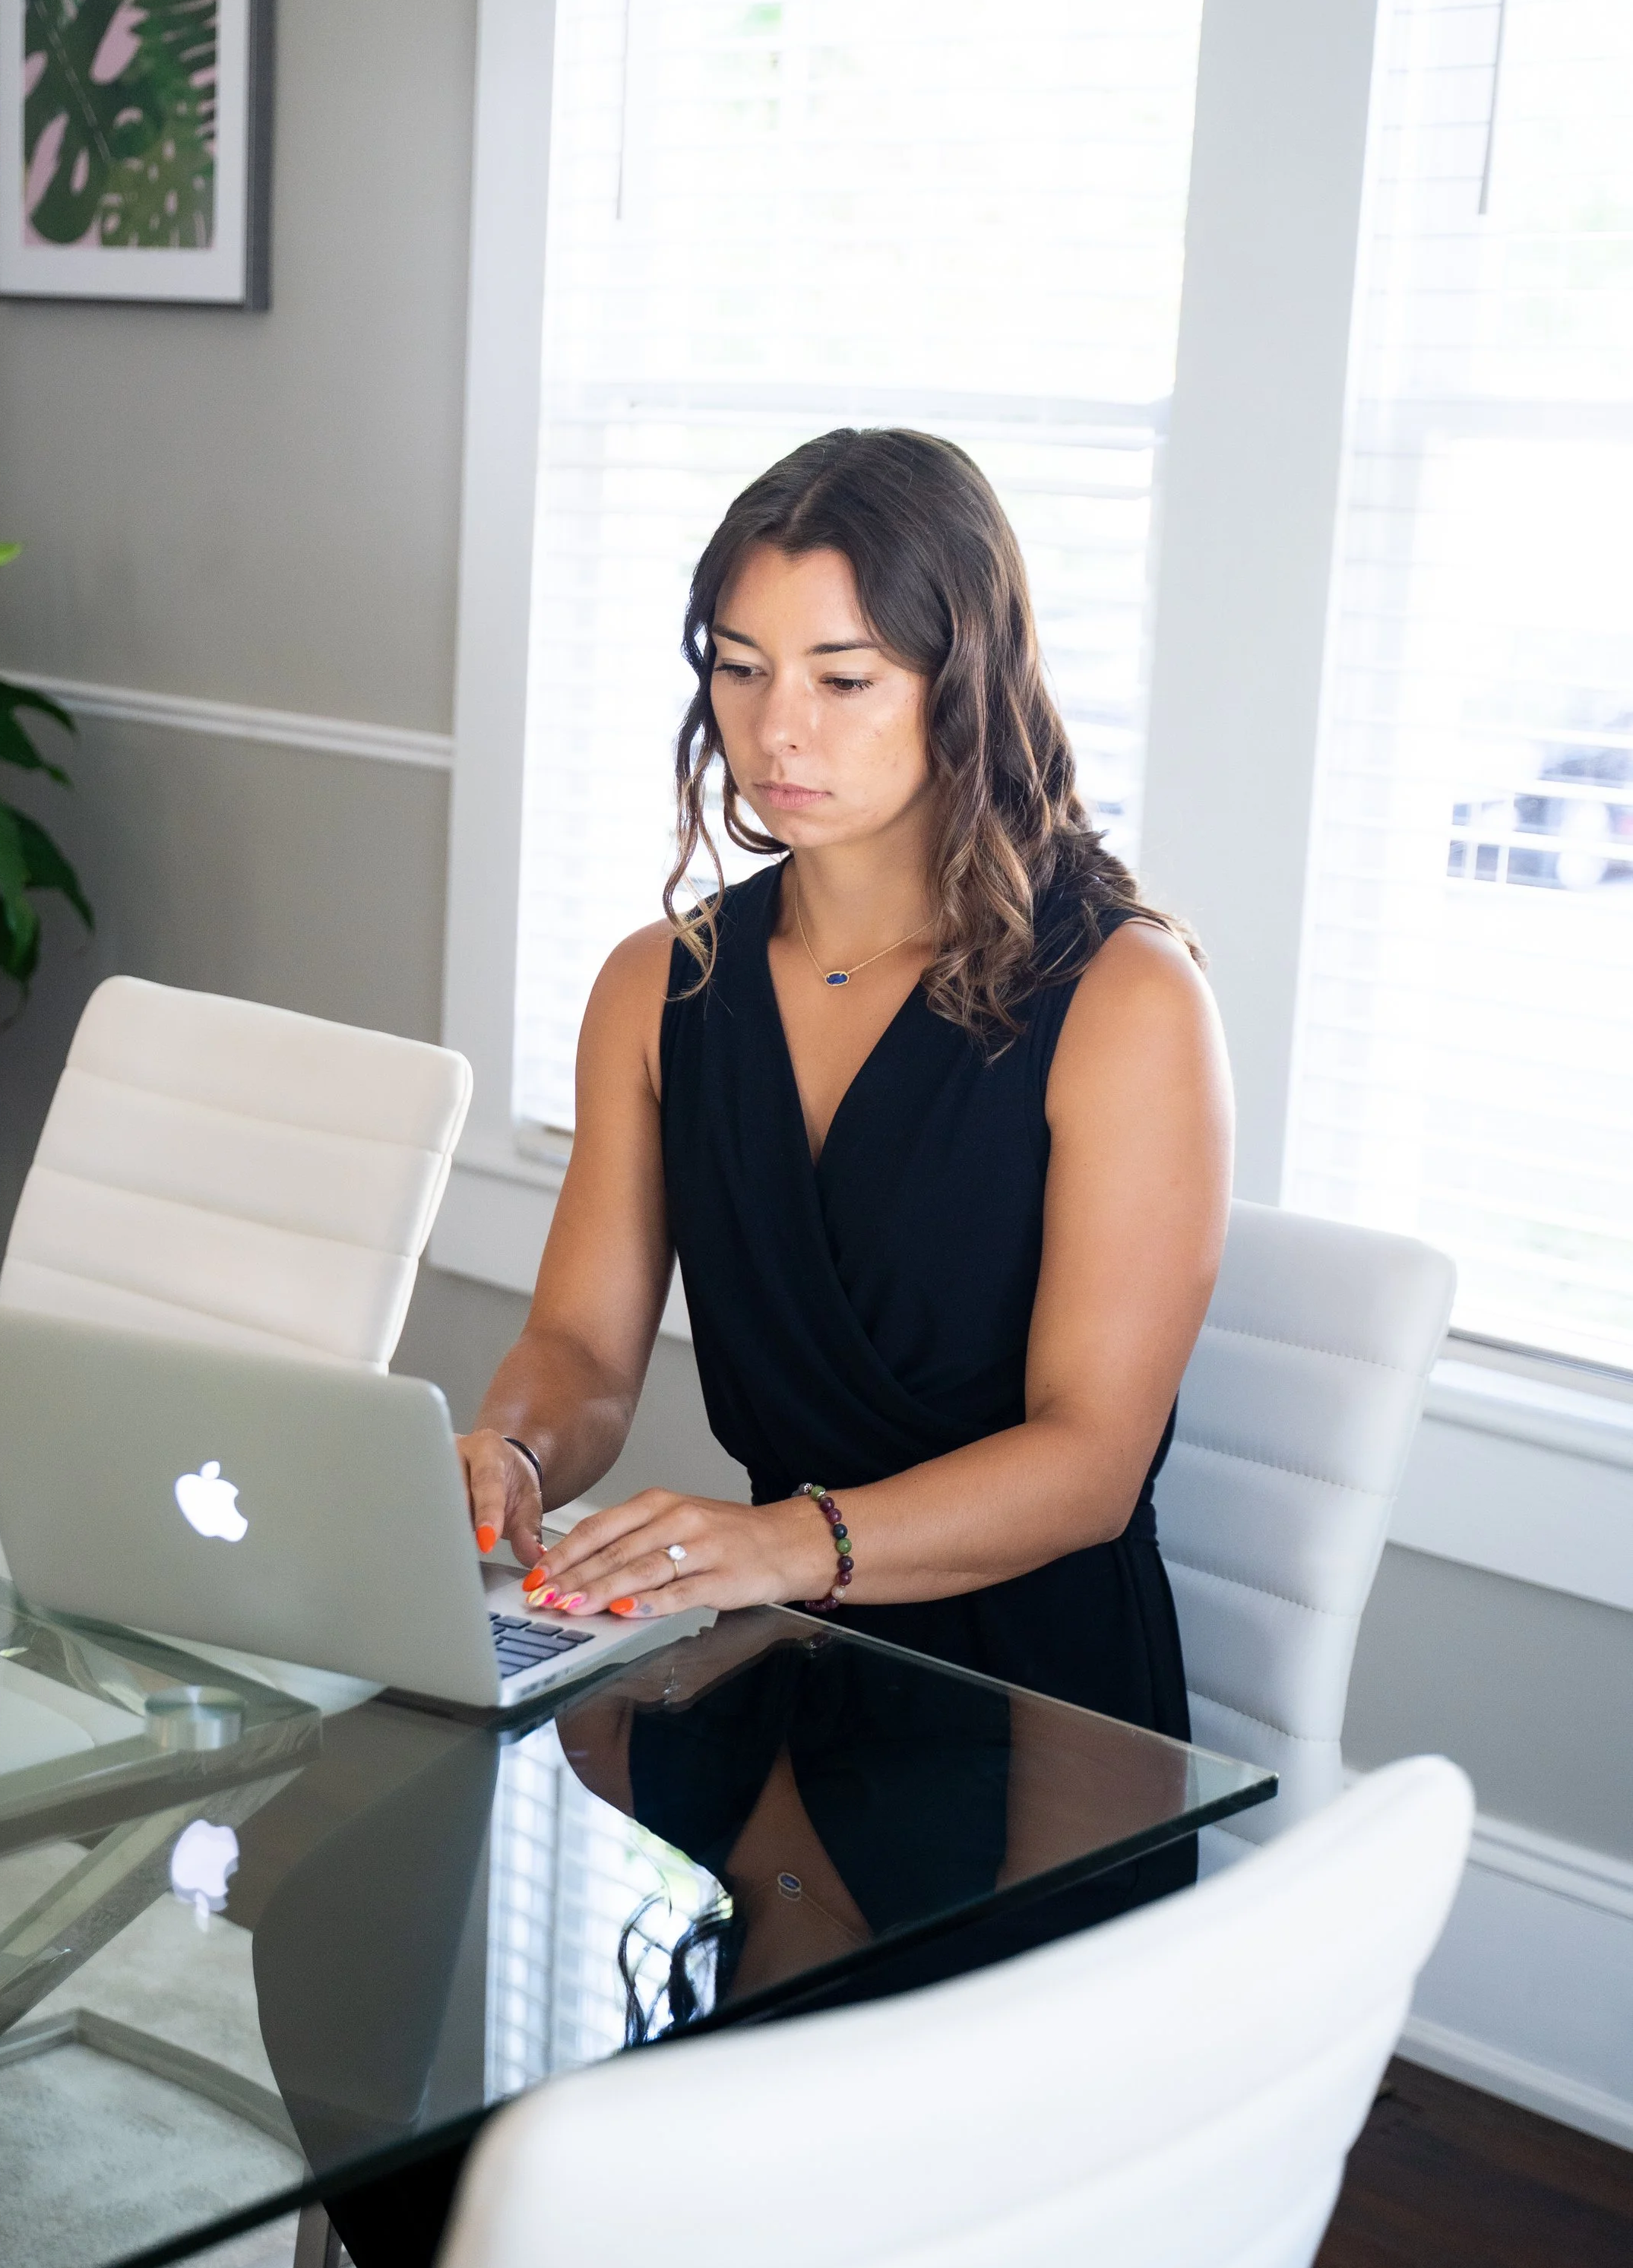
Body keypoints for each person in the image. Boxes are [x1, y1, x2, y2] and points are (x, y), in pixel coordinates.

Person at [460, 427, 1232, 1739]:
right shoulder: (661, 984)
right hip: (771, 1656)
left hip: (1038, 1712)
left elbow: (1090, 1461)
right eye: (741, 668)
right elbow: (584, 1350)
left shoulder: (1127, 1000)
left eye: (845, 678)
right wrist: (516, 1451)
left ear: (965, 681)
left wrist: (778, 1542)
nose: (776, 731)